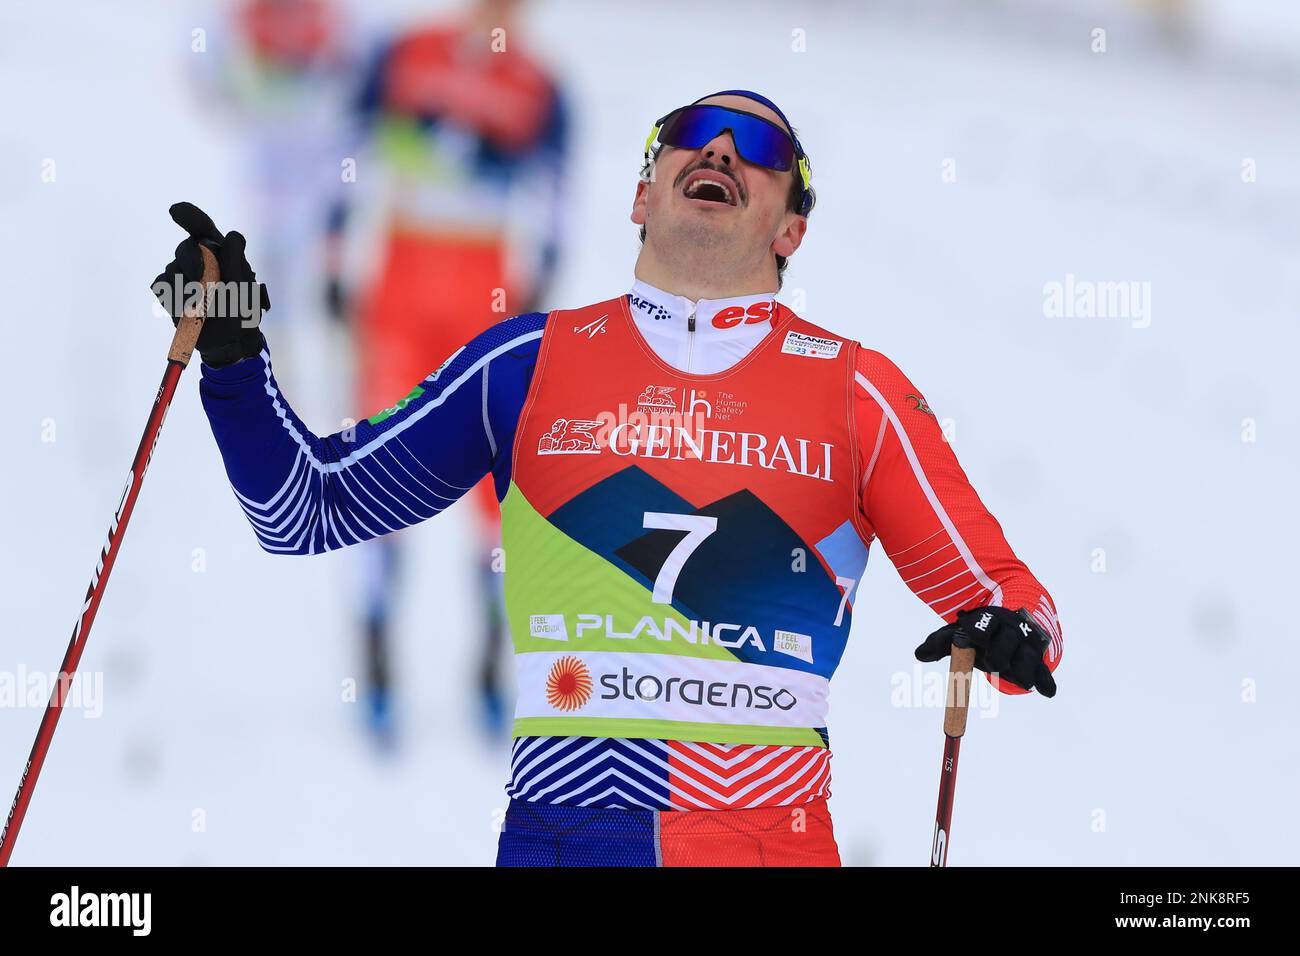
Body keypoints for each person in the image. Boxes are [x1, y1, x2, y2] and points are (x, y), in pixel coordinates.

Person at [151, 89, 1062, 867]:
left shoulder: (856, 390)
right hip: (564, 836)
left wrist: (1016, 634)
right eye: (693, 131)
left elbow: (1010, 603)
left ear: (793, 226)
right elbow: (303, 510)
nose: (720, 150)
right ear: (640, 194)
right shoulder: (523, 363)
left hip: (766, 841)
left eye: (763, 149)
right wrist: (232, 352)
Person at [323, 0, 568, 744]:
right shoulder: (405, 54)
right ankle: (378, 671)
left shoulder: (539, 86)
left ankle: (490, 673)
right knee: (379, 475)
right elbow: (348, 153)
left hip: (483, 308)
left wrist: (539, 297)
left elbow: (559, 201)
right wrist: (334, 261)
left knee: (498, 497)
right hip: (397, 299)